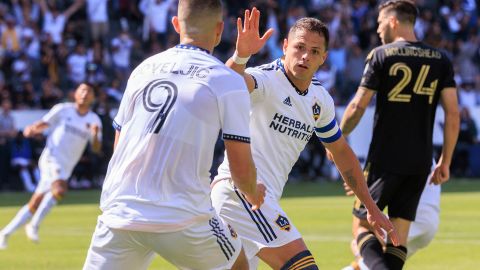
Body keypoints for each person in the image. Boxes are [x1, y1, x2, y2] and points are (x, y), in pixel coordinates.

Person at [211, 8, 398, 270]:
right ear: (285, 46)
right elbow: (228, 83)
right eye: (299, 47)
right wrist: (241, 55)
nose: (305, 56)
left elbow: (341, 153)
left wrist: (371, 207)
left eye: (314, 51)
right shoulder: (267, 79)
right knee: (303, 266)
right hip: (240, 193)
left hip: (261, 199)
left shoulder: (320, 100)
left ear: (324, 58)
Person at [83, 1, 265, 269]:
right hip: (183, 218)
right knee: (238, 264)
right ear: (219, 30)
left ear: (176, 25)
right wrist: (252, 192)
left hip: (120, 212)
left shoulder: (142, 70)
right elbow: (239, 168)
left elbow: (119, 145)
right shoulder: (228, 80)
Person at [339, 1, 459, 269]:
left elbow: (358, 105)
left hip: (385, 158)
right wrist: (445, 161)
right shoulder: (441, 59)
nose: (379, 29)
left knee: (361, 228)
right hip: (420, 162)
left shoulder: (382, 54)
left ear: (393, 21)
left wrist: (336, 135)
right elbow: (453, 114)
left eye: (381, 23)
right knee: (397, 237)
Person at [0, 82, 102, 249]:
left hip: (66, 167)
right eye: (82, 90)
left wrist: (96, 135)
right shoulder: (63, 110)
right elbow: (45, 123)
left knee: (36, 202)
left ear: (93, 97)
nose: (85, 93)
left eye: (89, 91)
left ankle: (5, 233)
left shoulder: (94, 120)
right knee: (60, 189)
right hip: (51, 158)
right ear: (75, 94)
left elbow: (96, 148)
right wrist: (33, 129)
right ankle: (34, 225)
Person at [342, 162, 441, 270]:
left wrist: (357, 179)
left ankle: (361, 262)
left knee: (361, 233)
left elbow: (339, 150)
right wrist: (445, 159)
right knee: (391, 246)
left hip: (390, 159)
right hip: (422, 164)